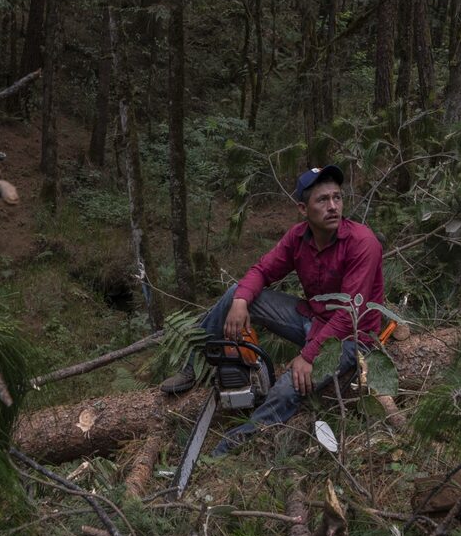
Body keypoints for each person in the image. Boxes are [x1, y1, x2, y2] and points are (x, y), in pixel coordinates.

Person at [160, 165, 385, 454]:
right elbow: (262, 270)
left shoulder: (362, 243)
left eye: (337, 198)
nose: (333, 207)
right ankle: (193, 366)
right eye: (322, 200)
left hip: (349, 337)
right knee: (236, 294)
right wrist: (240, 301)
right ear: (303, 209)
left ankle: (240, 440)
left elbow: (347, 317)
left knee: (290, 383)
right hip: (312, 319)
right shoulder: (298, 237)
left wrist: (308, 355)